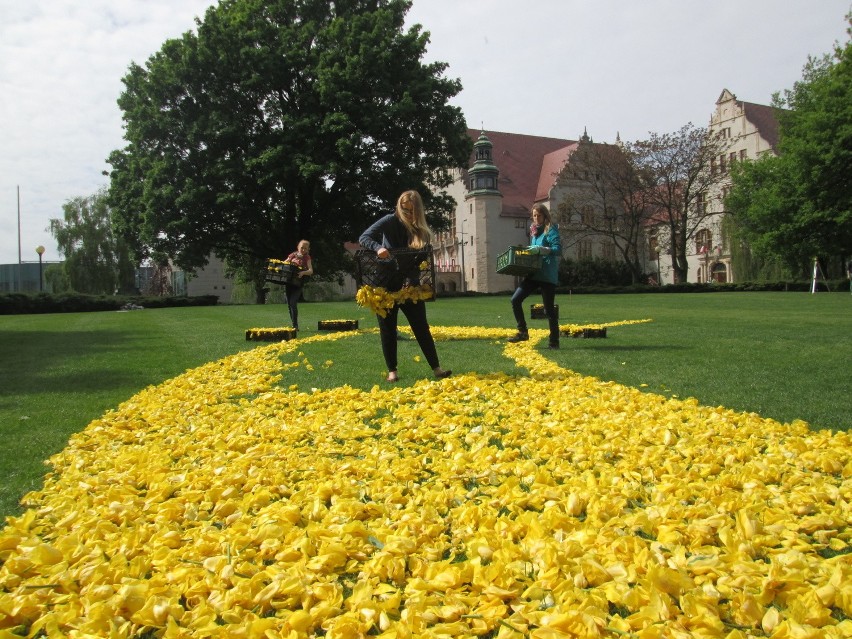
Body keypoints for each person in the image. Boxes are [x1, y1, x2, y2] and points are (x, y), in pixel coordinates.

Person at [359, 190, 451, 382]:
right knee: (388, 328)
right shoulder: (389, 220)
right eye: (404, 210)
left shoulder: (421, 230)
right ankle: (392, 371)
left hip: (410, 285)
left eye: (411, 211)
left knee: (421, 327)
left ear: (418, 211)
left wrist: (412, 278)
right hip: (384, 283)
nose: (407, 214)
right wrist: (379, 248)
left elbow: (420, 261)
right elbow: (365, 237)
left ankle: (437, 368)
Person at [507, 203, 562, 349]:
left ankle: (554, 341)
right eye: (534, 215)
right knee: (515, 300)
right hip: (534, 274)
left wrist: (542, 249)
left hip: (547, 275)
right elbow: (533, 253)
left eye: (539, 215)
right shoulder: (534, 232)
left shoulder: (551, 229)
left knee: (549, 310)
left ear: (545, 216)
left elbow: (557, 249)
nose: (536, 218)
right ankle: (522, 332)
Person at [283, 239, 313, 330]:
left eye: (305, 248)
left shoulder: (307, 257)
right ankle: (294, 325)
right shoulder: (293, 255)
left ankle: (295, 326)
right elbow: (284, 263)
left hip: (298, 284)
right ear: (298, 247)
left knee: (293, 303)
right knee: (289, 305)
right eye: (302, 248)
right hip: (288, 282)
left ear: (308, 249)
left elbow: (311, 271)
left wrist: (303, 273)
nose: (303, 250)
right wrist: (289, 263)